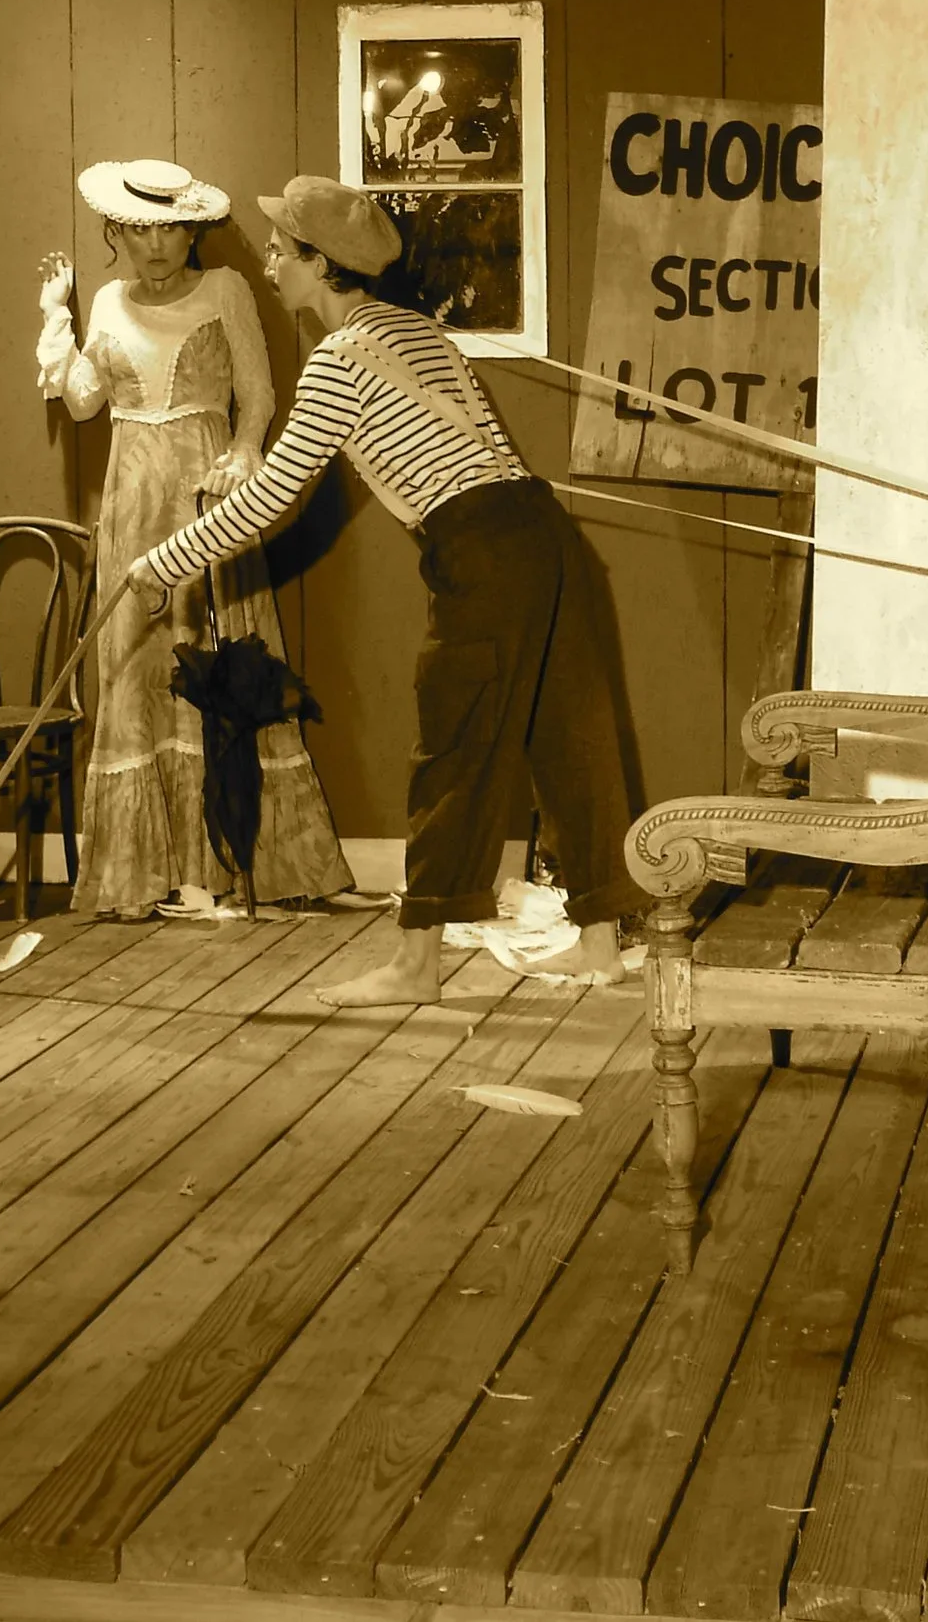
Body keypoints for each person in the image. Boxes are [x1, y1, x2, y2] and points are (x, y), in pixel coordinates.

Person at [130, 175, 644, 1005]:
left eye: (279, 247)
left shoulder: (338, 358)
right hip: (544, 535)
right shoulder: (417, 331)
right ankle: (600, 944)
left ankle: (415, 967)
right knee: (568, 736)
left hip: (481, 549)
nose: (266, 259)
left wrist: (165, 559)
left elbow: (270, 497)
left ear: (320, 264)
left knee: (452, 749)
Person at [36, 158, 352, 917]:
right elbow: (82, 403)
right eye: (139, 229)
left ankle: (230, 864)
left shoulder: (227, 290)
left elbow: (261, 394)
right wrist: (55, 312)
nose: (155, 246)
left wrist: (245, 453)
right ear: (117, 231)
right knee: (137, 665)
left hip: (209, 499)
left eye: (170, 228)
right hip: (131, 501)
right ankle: (143, 874)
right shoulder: (109, 301)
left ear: (193, 230)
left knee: (217, 656)